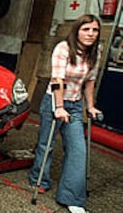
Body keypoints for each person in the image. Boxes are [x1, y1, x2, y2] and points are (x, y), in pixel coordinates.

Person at [28, 14, 102, 213]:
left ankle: (72, 198)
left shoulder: (95, 52)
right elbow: (57, 79)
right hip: (54, 101)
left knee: (78, 149)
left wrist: (90, 106)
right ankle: (39, 179)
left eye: (95, 30)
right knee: (47, 144)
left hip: (76, 104)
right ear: (77, 30)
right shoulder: (63, 48)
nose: (91, 34)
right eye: (86, 29)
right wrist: (59, 107)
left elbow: (89, 81)